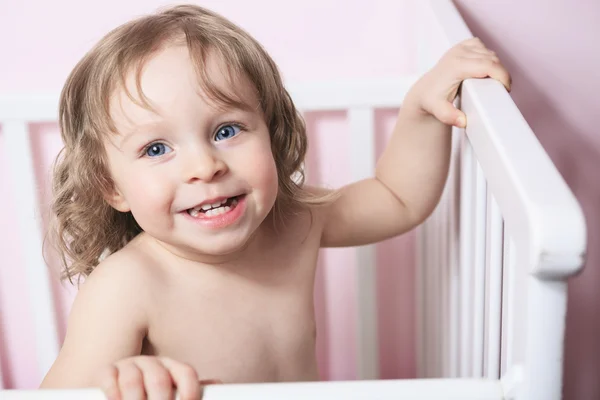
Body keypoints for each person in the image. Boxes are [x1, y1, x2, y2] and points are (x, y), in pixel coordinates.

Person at [39, 4, 511, 400]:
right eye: (156, 149)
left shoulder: (295, 222)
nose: (204, 166)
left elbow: (398, 198)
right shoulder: (127, 284)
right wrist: (122, 385)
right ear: (111, 186)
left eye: (227, 131)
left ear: (271, 131)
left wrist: (421, 110)